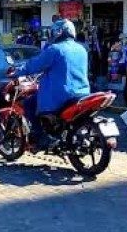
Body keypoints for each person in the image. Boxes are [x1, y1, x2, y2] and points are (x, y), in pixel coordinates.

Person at [9, 19, 90, 149]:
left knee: (29, 104)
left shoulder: (54, 49)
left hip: (60, 95)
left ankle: (41, 137)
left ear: (58, 32)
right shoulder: (82, 49)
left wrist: (17, 72)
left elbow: (35, 64)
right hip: (82, 92)